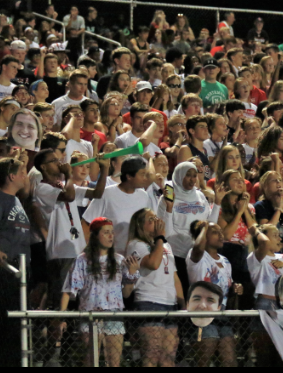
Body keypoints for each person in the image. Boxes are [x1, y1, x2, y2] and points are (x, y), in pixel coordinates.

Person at [59, 218, 140, 367]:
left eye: (112, 233)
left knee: (114, 363)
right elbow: (68, 290)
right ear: (96, 235)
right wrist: (62, 318)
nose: (111, 236)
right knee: (90, 361)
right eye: (106, 232)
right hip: (90, 316)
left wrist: (132, 274)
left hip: (114, 316)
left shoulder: (119, 260)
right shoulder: (82, 260)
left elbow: (126, 294)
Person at [32, 149, 109, 305]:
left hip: (77, 249)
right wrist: (68, 175)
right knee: (61, 299)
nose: (59, 163)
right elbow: (69, 196)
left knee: (78, 299)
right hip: (61, 252)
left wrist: (104, 168)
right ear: (44, 167)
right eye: (53, 161)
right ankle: (56, 328)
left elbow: (97, 193)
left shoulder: (63, 185)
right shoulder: (42, 188)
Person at [0, 155, 30, 367]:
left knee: (18, 320)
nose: (25, 176)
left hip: (21, 267)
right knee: (8, 318)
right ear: (11, 176)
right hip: (6, 267)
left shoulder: (16, 199)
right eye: (22, 173)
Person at [125, 208, 185, 368]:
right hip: (149, 301)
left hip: (170, 303)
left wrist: (182, 304)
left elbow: (174, 276)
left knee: (168, 357)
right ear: (140, 225)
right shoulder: (136, 244)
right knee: (152, 355)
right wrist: (159, 238)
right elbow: (153, 263)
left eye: (156, 218)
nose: (157, 221)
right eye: (151, 219)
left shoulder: (164, 244)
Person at [158, 162, 224, 295]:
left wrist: (217, 203)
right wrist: (169, 207)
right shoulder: (168, 197)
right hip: (176, 254)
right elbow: (165, 233)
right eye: (188, 175)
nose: (192, 179)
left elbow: (208, 227)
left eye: (195, 176)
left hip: (198, 253)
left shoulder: (200, 196)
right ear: (178, 176)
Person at [187, 222, 241, 367]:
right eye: (215, 232)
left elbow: (227, 288)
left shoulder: (225, 261)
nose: (221, 235)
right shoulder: (197, 256)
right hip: (202, 314)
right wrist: (204, 227)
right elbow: (198, 247)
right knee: (203, 360)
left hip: (222, 314)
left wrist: (236, 288)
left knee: (230, 361)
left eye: (220, 231)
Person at [83, 157, 152, 255]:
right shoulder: (107, 194)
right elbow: (86, 223)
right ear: (129, 176)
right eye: (142, 174)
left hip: (137, 257)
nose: (145, 178)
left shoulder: (144, 195)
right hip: (111, 257)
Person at [247, 224, 283, 366]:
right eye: (275, 235)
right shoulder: (255, 256)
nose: (279, 238)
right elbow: (264, 243)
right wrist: (255, 230)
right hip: (266, 303)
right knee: (265, 348)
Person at [254, 171, 283, 262]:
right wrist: (279, 209)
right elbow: (266, 231)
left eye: (280, 180)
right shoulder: (261, 206)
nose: (278, 182)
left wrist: (282, 204)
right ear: (265, 186)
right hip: (271, 254)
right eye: (274, 180)